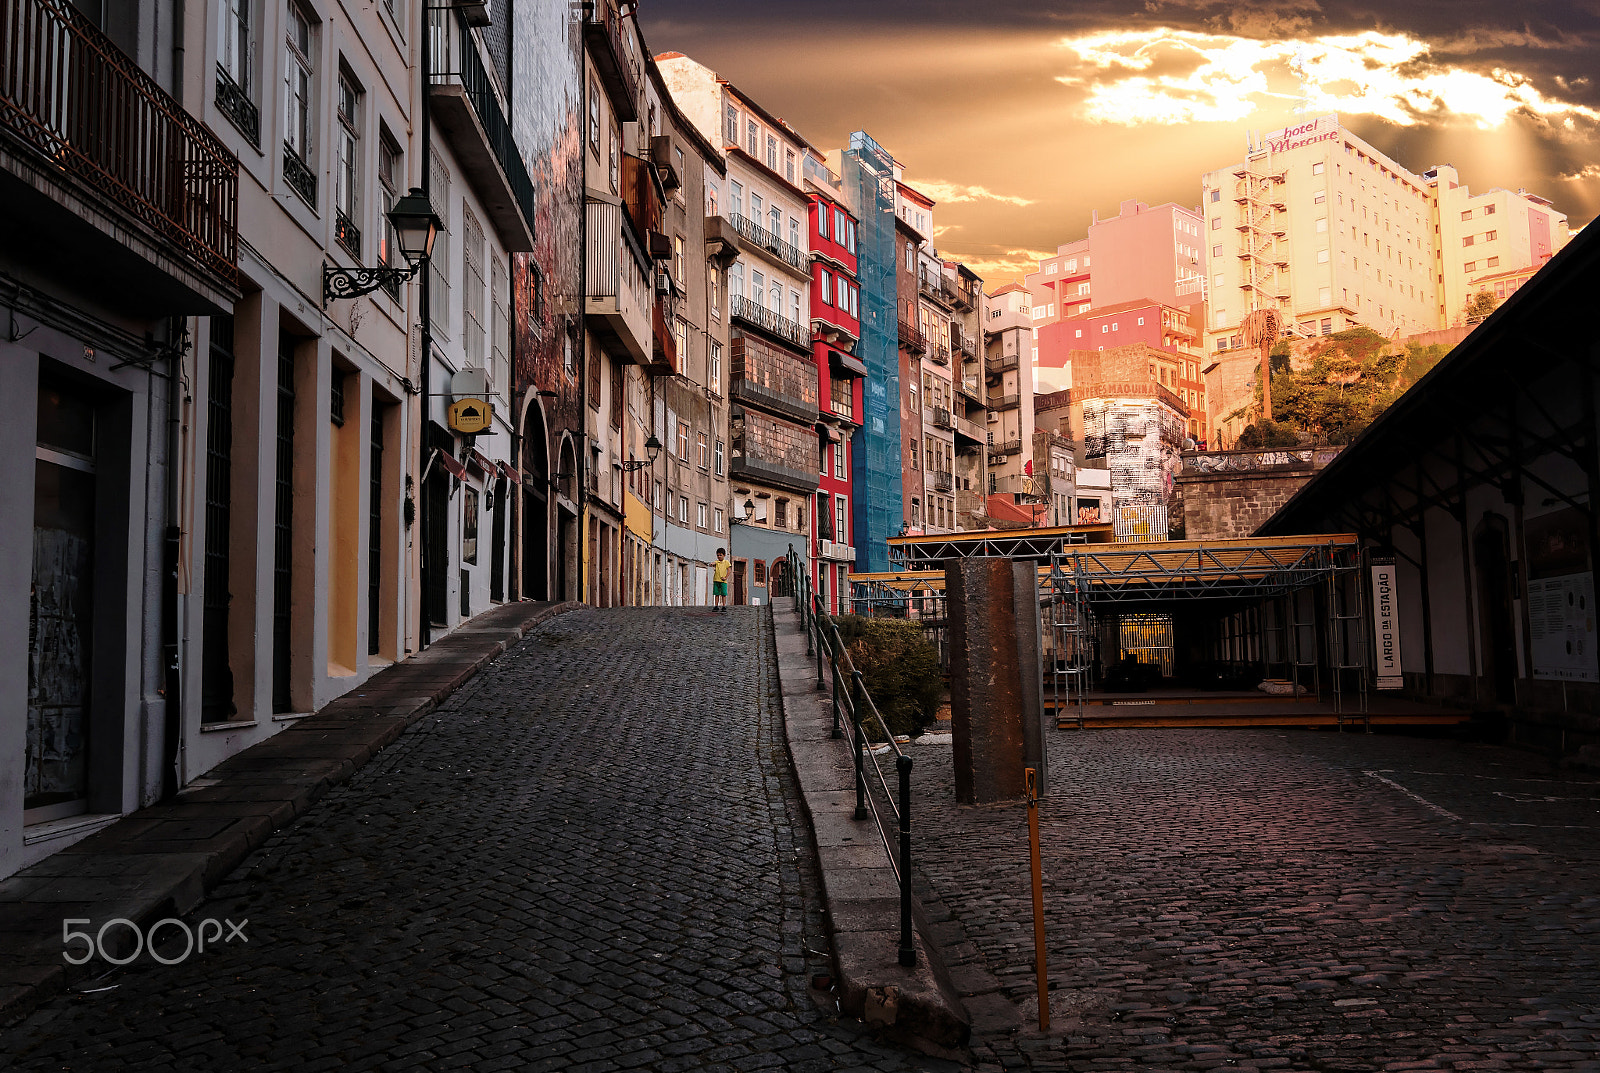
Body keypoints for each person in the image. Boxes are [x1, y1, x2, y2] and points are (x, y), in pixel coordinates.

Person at [712, 548, 732, 612]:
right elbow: (713, 563)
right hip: (716, 580)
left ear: (724, 555)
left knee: (723, 594)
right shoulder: (716, 562)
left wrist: (726, 577)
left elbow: (729, 570)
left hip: (723, 581)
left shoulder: (726, 562)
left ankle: (723, 606)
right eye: (718, 555)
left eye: (720, 555)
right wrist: (712, 564)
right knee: (716, 594)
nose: (719, 557)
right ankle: (716, 605)